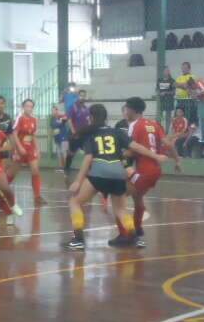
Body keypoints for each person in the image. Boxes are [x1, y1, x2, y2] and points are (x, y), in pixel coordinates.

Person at [64, 104, 167, 251]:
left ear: (91, 118)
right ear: (106, 118)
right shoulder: (116, 132)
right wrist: (155, 155)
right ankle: (135, 239)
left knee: (75, 202)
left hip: (99, 172)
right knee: (121, 210)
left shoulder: (90, 134)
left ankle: (78, 239)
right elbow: (136, 147)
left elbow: (88, 159)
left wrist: (77, 181)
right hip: (118, 173)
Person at [124, 97, 182, 247]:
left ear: (132, 110)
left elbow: (133, 150)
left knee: (119, 196)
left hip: (144, 171)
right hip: (155, 170)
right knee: (137, 198)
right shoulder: (154, 124)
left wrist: (114, 156)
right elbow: (168, 144)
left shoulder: (134, 126)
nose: (124, 111)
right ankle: (138, 229)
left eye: (126, 108)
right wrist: (177, 160)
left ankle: (130, 236)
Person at [7, 99, 47, 205]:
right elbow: (14, 133)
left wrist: (37, 149)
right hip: (20, 148)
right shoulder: (19, 118)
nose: (29, 108)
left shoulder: (34, 119)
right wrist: (19, 148)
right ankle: (2, 190)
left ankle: (37, 197)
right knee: (12, 173)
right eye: (27, 106)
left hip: (30, 148)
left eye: (31, 106)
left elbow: (33, 135)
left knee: (35, 170)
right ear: (23, 107)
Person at [64, 89, 91, 174]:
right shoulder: (73, 107)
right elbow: (69, 120)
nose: (82, 97)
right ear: (77, 96)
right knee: (71, 153)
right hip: (75, 135)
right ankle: (66, 168)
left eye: (84, 95)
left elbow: (88, 121)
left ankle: (89, 170)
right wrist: (74, 132)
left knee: (88, 152)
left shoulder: (86, 108)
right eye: (81, 95)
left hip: (84, 135)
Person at [50, 104, 70, 171]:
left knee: (64, 152)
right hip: (57, 138)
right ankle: (61, 167)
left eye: (54, 110)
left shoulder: (62, 117)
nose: (52, 111)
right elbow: (53, 126)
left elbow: (67, 117)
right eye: (52, 110)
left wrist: (61, 115)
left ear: (57, 111)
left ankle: (66, 167)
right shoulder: (52, 118)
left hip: (64, 138)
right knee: (59, 153)